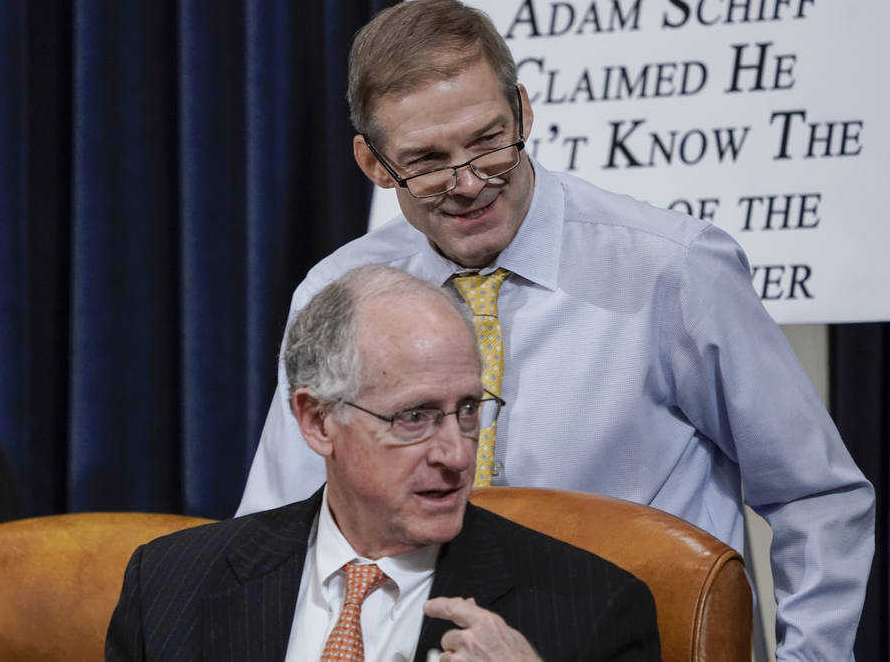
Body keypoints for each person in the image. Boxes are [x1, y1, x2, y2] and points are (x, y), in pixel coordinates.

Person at [239, 0, 876, 660]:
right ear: (374, 163)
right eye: (428, 161)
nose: (469, 182)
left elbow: (818, 494)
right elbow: (275, 527)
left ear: (523, 109)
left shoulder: (673, 269)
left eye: (489, 140)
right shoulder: (337, 294)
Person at [107, 265, 659, 661]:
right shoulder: (170, 585)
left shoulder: (594, 610)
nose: (457, 453)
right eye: (414, 417)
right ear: (318, 421)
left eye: (467, 410)